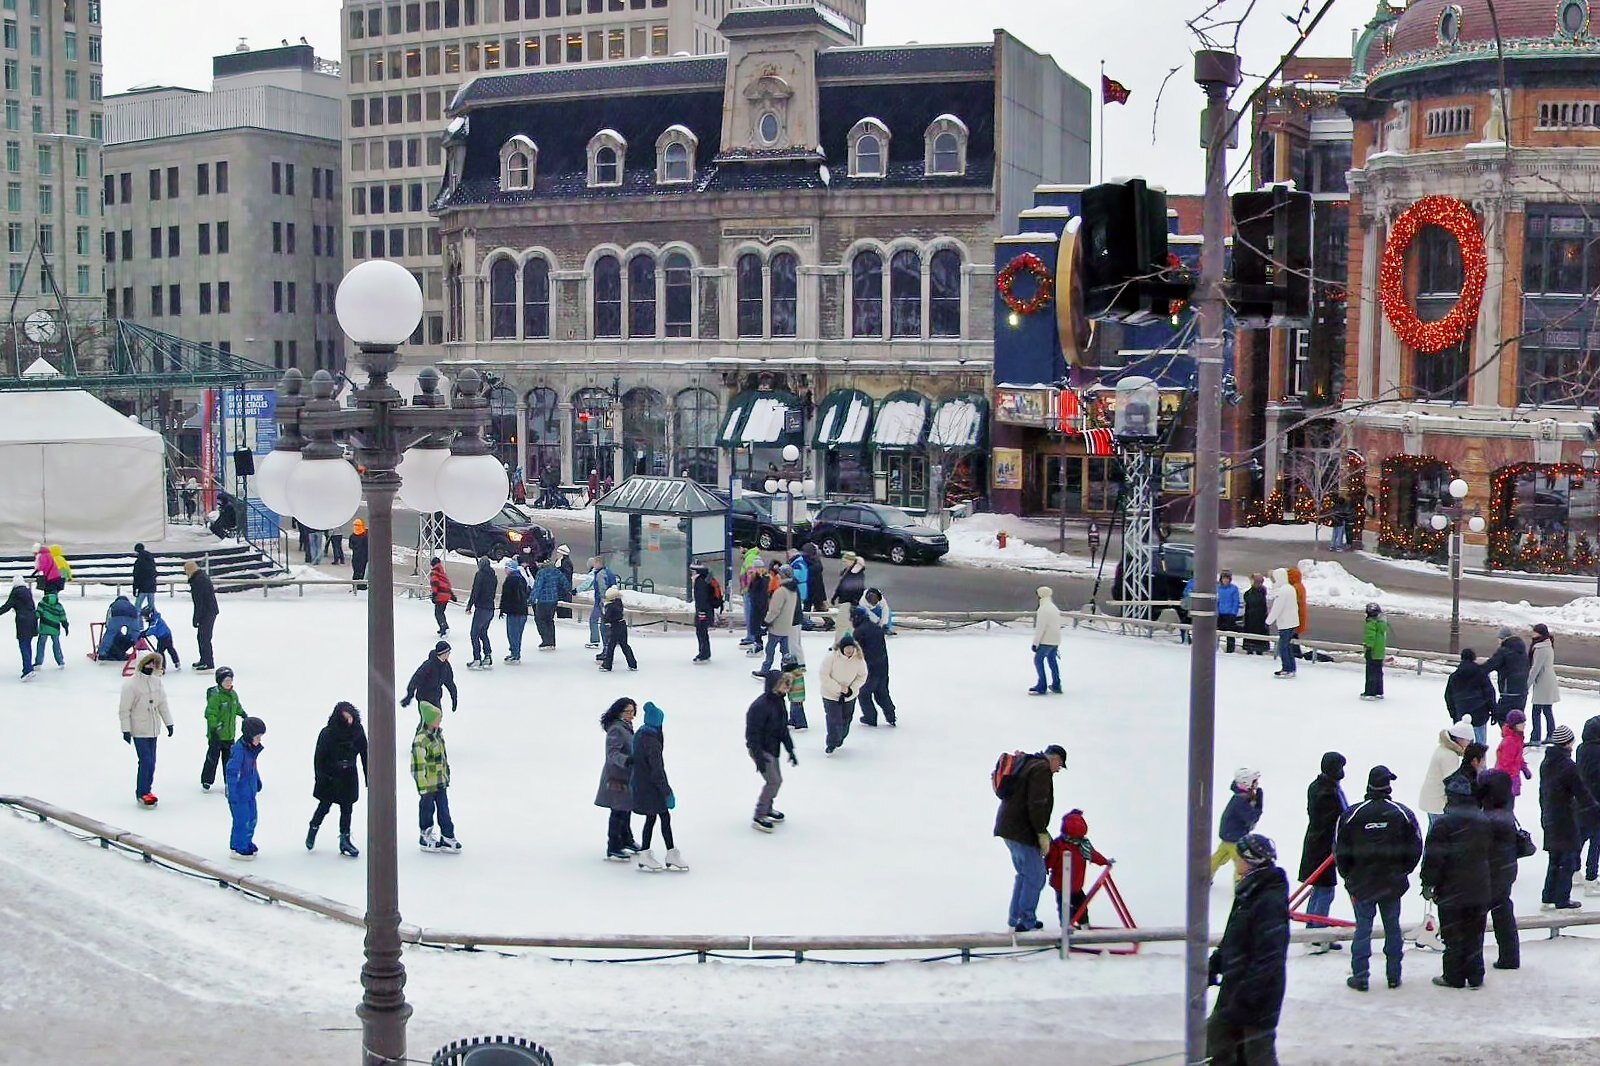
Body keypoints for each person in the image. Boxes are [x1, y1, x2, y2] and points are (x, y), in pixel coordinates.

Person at [1335, 765, 1423, 991]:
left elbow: (1340, 850)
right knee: (1392, 927)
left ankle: (1361, 975)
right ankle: (1394, 975)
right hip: (1391, 883)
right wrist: (1402, 872)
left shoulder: (1352, 814)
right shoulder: (1402, 813)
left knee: (1363, 929)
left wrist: (1349, 877)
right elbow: (1416, 847)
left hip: (1362, 882)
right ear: (1388, 786)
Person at [1206, 833, 1290, 1065]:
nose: (1235, 860)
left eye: (1239, 856)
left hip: (1258, 996)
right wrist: (1216, 963)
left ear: (1249, 860)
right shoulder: (1249, 888)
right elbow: (1234, 934)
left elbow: (1270, 956)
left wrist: (1247, 995)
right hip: (1237, 986)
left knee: (1256, 1054)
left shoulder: (1268, 898)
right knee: (1218, 1042)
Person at [1421, 775, 1492, 988]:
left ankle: (1454, 975)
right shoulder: (1483, 821)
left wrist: (1427, 882)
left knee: (1453, 935)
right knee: (1475, 934)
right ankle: (1476, 974)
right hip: (1479, 887)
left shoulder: (1444, 824)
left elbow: (1434, 858)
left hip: (1452, 889)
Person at [993, 744, 1067, 932]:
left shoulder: (1027, 762)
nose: (1058, 770)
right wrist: (1041, 832)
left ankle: (1015, 919)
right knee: (1036, 876)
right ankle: (1025, 922)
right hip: (1022, 830)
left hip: (1008, 828)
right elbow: (1036, 804)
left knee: (1025, 874)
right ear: (1055, 758)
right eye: (1060, 765)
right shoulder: (1041, 769)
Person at [1539, 724, 1596, 909]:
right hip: (1565, 816)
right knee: (1567, 859)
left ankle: (1548, 896)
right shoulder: (1568, 766)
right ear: (1568, 743)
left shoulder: (1547, 763)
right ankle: (1562, 899)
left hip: (1550, 814)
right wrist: (1595, 809)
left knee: (1554, 858)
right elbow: (1582, 793)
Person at [629, 701, 687, 872]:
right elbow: (657, 770)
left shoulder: (641, 734)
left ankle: (653, 852)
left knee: (656, 817)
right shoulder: (652, 742)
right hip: (650, 786)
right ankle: (660, 853)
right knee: (659, 817)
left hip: (642, 783)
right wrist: (667, 792)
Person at [1299, 752, 1348, 953]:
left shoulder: (1323, 786)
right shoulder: (1326, 792)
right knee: (1324, 889)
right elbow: (1331, 820)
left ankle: (1315, 929)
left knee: (1320, 889)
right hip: (1322, 847)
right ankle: (1316, 933)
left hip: (1321, 844)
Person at [1477, 768, 1524, 969]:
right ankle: (1510, 956)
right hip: (1506, 869)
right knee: (1503, 911)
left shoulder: (1486, 818)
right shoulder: (1506, 813)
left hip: (1488, 872)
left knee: (1477, 916)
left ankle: (1474, 960)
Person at [308, 701, 368, 858]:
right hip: (331, 775)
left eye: (351, 717)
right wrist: (321, 778)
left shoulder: (358, 731)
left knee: (347, 809)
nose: (350, 721)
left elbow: (365, 754)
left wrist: (369, 778)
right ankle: (314, 827)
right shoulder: (328, 733)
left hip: (349, 774)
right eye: (346, 718)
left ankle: (345, 840)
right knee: (324, 806)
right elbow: (319, 758)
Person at [118, 651, 173, 806]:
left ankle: (147, 789)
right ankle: (142, 792)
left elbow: (162, 704)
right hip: (139, 728)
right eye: (147, 663)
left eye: (153, 663)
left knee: (152, 761)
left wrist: (169, 723)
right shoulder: (131, 685)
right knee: (146, 760)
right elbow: (124, 709)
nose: (150, 666)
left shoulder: (157, 682)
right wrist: (126, 730)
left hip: (153, 728)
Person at [746, 670, 797, 832]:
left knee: (777, 780)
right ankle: (759, 815)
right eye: (784, 684)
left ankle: (768, 807)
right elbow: (752, 734)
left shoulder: (779, 701)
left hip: (772, 748)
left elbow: (783, 729)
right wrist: (759, 757)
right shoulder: (760, 706)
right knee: (773, 781)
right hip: (761, 749)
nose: (787, 688)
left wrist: (790, 750)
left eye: (788, 684)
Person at [1047, 809, 1111, 929]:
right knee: (1071, 906)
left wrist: (1104, 861)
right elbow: (1050, 860)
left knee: (1075, 905)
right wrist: (1044, 868)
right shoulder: (1068, 845)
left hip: (1071, 885)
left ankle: (1077, 924)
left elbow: (1093, 855)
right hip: (1066, 885)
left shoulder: (1074, 845)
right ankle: (1072, 925)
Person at [412, 702, 460, 852]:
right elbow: (418, 765)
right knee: (427, 809)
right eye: (437, 719)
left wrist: (447, 775)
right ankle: (425, 835)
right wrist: (422, 786)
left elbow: (443, 758)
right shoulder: (421, 740)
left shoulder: (438, 736)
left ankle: (447, 836)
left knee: (444, 809)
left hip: (440, 782)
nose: (440, 721)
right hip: (428, 784)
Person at [596, 697, 639, 860]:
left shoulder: (626, 727)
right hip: (616, 777)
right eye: (628, 711)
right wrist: (627, 760)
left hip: (626, 775)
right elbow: (612, 753)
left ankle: (626, 840)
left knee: (626, 808)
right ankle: (614, 845)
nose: (631, 715)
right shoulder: (616, 729)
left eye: (633, 711)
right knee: (618, 810)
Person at [224, 716, 267, 861]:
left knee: (252, 818)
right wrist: (232, 792)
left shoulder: (251, 751)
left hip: (249, 792)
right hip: (239, 794)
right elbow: (232, 772)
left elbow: (252, 769)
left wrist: (258, 781)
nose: (259, 740)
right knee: (241, 820)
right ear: (249, 736)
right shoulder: (239, 751)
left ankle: (246, 842)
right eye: (258, 737)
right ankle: (237, 847)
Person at [819, 633, 868, 756]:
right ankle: (831, 743)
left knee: (846, 719)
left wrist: (851, 690)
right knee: (833, 720)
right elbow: (824, 675)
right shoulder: (831, 657)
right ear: (841, 648)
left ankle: (840, 738)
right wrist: (840, 689)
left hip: (850, 696)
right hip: (830, 695)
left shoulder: (859, 659)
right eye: (847, 648)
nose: (849, 651)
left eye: (851, 648)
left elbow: (862, 676)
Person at [1211, 769, 1264, 880]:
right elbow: (1252, 818)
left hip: (1229, 834)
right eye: (1255, 781)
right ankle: (1241, 888)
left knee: (1220, 857)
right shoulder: (1241, 801)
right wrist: (1259, 804)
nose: (1257, 784)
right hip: (1235, 838)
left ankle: (1204, 875)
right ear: (1247, 783)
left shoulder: (1241, 797)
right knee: (1242, 864)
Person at [1422, 722, 1473, 831]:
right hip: (1438, 802)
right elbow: (1453, 784)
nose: (1469, 745)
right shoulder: (1449, 756)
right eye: (1469, 741)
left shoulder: (1443, 749)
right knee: (1439, 838)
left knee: (1432, 835)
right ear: (1460, 739)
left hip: (1431, 800)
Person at [202, 666, 246, 792]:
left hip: (229, 734)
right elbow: (210, 713)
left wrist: (243, 714)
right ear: (220, 682)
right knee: (212, 758)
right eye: (226, 681)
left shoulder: (233, 695)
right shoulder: (216, 697)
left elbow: (236, 706)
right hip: (217, 734)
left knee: (229, 761)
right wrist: (214, 728)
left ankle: (229, 781)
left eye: (230, 681)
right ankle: (207, 780)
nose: (228, 683)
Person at [851, 605, 896, 727]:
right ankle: (891, 715)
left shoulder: (859, 631)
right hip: (882, 664)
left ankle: (870, 717)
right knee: (882, 692)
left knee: (864, 694)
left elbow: (857, 652)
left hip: (869, 667)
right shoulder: (876, 628)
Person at [1445, 649, 1497, 745]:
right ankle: (1480, 758)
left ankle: (1467, 759)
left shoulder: (1454, 676)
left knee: (1465, 744)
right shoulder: (1481, 674)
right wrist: (1493, 711)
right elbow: (1490, 693)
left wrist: (1454, 713)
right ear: (1474, 658)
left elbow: (1448, 697)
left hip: (1462, 713)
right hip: (1480, 712)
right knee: (1480, 744)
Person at [1481, 625, 1529, 724]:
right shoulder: (1522, 651)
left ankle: (1509, 739)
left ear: (1503, 638)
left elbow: (1489, 666)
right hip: (1522, 692)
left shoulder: (1504, 651)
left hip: (1509, 692)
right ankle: (1517, 739)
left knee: (1503, 719)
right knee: (1517, 721)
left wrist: (1475, 667)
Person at [759, 565, 800, 673]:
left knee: (770, 649)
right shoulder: (794, 590)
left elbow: (774, 610)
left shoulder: (781, 591)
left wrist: (766, 621)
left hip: (776, 626)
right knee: (785, 651)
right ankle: (786, 670)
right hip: (786, 626)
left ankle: (765, 670)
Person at [401, 641, 458, 715]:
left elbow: (450, 683)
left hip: (436, 697)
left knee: (437, 718)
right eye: (448, 653)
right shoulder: (428, 665)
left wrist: (454, 698)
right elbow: (416, 679)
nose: (449, 655)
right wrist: (409, 695)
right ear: (442, 654)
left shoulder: (446, 666)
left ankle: (431, 726)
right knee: (429, 720)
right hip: (424, 697)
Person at [1528, 623, 1560, 746]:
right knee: (1547, 709)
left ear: (1539, 633)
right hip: (1548, 680)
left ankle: (1536, 737)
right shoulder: (1548, 645)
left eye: (1534, 631)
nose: (1532, 633)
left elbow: (1535, 668)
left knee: (1536, 710)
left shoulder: (1540, 648)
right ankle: (1551, 734)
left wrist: (1527, 684)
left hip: (1543, 682)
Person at [1578, 716, 1600, 896]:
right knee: (1596, 841)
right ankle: (1591, 877)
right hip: (1597, 801)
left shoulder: (1581, 749)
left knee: (1582, 837)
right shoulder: (1598, 752)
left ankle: (1574, 869)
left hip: (1583, 801)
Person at [0, 576, 38, 680]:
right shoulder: (27, 592)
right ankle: (29, 667)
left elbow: (7, 606)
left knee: (23, 646)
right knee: (28, 645)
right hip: (32, 620)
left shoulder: (16, 593)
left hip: (23, 621)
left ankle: (28, 670)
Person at [1265, 567, 1300, 678]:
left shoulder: (1282, 591)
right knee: (1287, 645)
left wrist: (1268, 621)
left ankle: (1287, 668)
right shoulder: (1290, 588)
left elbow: (1277, 608)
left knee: (1283, 646)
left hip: (1286, 623)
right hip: (1292, 622)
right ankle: (1291, 667)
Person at [1029, 585, 1063, 696]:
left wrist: (1035, 643)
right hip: (1055, 640)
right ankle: (1056, 684)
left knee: (1038, 660)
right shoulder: (1054, 608)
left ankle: (1042, 685)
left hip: (1046, 641)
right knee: (1052, 661)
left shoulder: (1043, 609)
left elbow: (1041, 628)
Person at [184, 560, 218, 671]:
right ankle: (204, 659)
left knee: (204, 637)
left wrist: (196, 618)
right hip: (208, 611)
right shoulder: (199, 578)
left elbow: (200, 602)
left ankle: (208, 662)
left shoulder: (199, 581)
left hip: (207, 612)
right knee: (202, 637)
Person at [465, 557, 498, 670]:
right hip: (490, 608)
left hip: (481, 609)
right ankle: (488, 656)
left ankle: (477, 658)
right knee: (483, 633)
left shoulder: (480, 575)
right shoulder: (493, 576)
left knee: (474, 634)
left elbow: (475, 591)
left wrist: (469, 605)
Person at [531, 558, 571, 649]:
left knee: (540, 620)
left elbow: (537, 587)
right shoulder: (557, 572)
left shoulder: (542, 573)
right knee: (549, 620)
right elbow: (565, 583)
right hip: (553, 600)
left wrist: (532, 599)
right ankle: (551, 641)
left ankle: (546, 641)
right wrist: (568, 591)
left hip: (543, 600)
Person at [1495, 709, 1532, 799]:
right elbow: (1505, 764)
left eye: (1524, 722)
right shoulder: (1510, 742)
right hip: (1505, 782)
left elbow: (1518, 757)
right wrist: (1512, 780)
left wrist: (1524, 768)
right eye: (1521, 723)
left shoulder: (1517, 738)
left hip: (1510, 778)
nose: (1524, 725)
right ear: (1514, 725)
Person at [498, 559, 530, 663]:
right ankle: (516, 653)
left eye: (506, 568)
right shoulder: (522, 578)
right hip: (523, 611)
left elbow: (506, 596)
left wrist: (502, 609)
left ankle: (514, 654)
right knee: (518, 634)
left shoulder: (510, 580)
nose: (505, 570)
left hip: (514, 611)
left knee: (512, 634)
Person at [599, 587, 636, 671]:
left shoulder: (610, 606)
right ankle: (632, 664)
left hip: (615, 626)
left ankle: (607, 665)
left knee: (611, 646)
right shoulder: (619, 603)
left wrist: (603, 614)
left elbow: (607, 618)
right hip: (622, 624)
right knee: (624, 645)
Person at [584, 555, 617, 650]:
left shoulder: (600, 574)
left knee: (595, 620)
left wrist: (603, 600)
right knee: (606, 622)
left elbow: (602, 589)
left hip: (601, 602)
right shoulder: (609, 572)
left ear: (599, 563)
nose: (593, 565)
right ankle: (610, 642)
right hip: (610, 600)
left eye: (594, 563)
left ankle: (597, 642)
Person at [98, 595, 140, 661]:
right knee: (135, 633)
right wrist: (130, 635)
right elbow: (137, 616)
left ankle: (102, 653)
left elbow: (109, 616)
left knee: (110, 634)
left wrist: (108, 625)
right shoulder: (131, 605)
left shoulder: (114, 605)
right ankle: (142, 651)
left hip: (116, 616)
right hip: (132, 617)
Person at [691, 562, 718, 663]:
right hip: (706, 610)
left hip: (703, 611)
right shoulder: (706, 579)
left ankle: (704, 653)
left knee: (701, 631)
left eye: (693, 571)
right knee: (703, 632)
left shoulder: (700, 582)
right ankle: (705, 652)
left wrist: (701, 612)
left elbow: (702, 599)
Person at [32, 590, 66, 670]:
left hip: (44, 627)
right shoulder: (59, 605)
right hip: (55, 628)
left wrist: (32, 617)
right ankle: (60, 662)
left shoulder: (42, 603)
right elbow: (62, 616)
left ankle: (38, 663)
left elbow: (38, 614)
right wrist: (65, 624)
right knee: (56, 644)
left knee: (41, 645)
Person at [1361, 603, 1389, 700]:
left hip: (1372, 651)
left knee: (1371, 672)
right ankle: (1378, 691)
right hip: (1380, 652)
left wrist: (1368, 647)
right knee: (1378, 672)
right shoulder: (1381, 624)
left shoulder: (1371, 623)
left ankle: (1370, 693)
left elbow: (1370, 637)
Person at [140, 605, 180, 670]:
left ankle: (162, 667)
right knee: (170, 649)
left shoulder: (155, 620)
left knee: (160, 652)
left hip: (163, 637)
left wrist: (145, 633)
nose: (145, 619)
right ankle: (177, 662)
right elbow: (151, 629)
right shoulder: (155, 618)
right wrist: (145, 632)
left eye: (145, 617)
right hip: (167, 635)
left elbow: (152, 629)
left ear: (150, 615)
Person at [744, 558, 771, 655]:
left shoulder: (761, 580)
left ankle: (758, 646)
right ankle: (757, 643)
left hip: (759, 607)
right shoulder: (758, 578)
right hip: (757, 605)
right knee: (755, 627)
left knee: (757, 627)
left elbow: (760, 594)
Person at [1241, 573, 1270, 655]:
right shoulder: (1249, 592)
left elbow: (1255, 602)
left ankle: (1258, 650)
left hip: (1259, 619)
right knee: (1250, 634)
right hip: (1250, 618)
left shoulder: (1261, 592)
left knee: (1258, 636)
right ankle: (1250, 649)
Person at [428, 557, 455, 637]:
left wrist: (434, 594)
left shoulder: (434, 571)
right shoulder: (442, 572)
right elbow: (448, 584)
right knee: (441, 612)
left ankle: (444, 628)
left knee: (438, 613)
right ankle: (443, 627)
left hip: (440, 595)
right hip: (446, 595)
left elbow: (434, 583)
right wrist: (451, 595)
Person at [1216, 570, 1241, 653]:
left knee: (1230, 633)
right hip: (1219, 614)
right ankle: (1216, 647)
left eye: (1227, 578)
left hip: (1230, 614)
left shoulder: (1234, 588)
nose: (1225, 580)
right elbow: (1216, 601)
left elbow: (1236, 601)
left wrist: (1233, 613)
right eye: (1224, 578)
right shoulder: (1218, 588)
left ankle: (1230, 650)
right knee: (1216, 632)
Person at [801, 540, 828, 614]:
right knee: (819, 606)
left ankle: (806, 622)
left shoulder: (807, 562)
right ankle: (828, 621)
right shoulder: (817, 562)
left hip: (810, 589)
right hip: (818, 589)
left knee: (807, 606)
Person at [132, 542, 158, 615]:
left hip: (142, 587)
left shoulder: (139, 562)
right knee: (151, 606)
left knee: (137, 606)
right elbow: (154, 573)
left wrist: (135, 588)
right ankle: (155, 620)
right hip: (152, 586)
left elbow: (136, 576)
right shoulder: (151, 560)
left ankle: (137, 622)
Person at [782, 654, 807, 731]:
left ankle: (801, 724)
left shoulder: (791, 674)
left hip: (796, 695)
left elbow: (787, 684)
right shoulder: (797, 671)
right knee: (794, 709)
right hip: (798, 695)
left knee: (797, 710)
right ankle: (793, 721)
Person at [350, 518, 370, 588]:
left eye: (357, 525)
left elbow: (367, 547)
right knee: (357, 572)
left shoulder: (365, 536)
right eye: (355, 525)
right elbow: (351, 546)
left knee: (362, 572)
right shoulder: (353, 536)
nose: (356, 527)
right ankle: (356, 585)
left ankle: (360, 586)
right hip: (357, 557)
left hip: (363, 558)